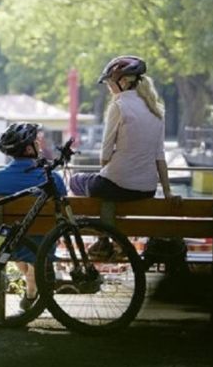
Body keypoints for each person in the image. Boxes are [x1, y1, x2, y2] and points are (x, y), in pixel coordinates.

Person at [69, 55, 179, 258]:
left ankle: (103, 241)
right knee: (110, 192)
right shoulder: (157, 110)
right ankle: (116, 242)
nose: (108, 87)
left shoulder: (118, 106)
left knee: (76, 181)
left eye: (110, 82)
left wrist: (106, 170)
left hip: (116, 185)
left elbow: (106, 152)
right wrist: (167, 191)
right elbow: (159, 155)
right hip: (146, 189)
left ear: (124, 81)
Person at [0, 122, 67, 311]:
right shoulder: (52, 178)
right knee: (35, 241)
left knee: (16, 236)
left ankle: (29, 281)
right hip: (44, 243)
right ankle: (31, 284)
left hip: (8, 244)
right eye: (37, 142)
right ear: (29, 148)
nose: (39, 145)